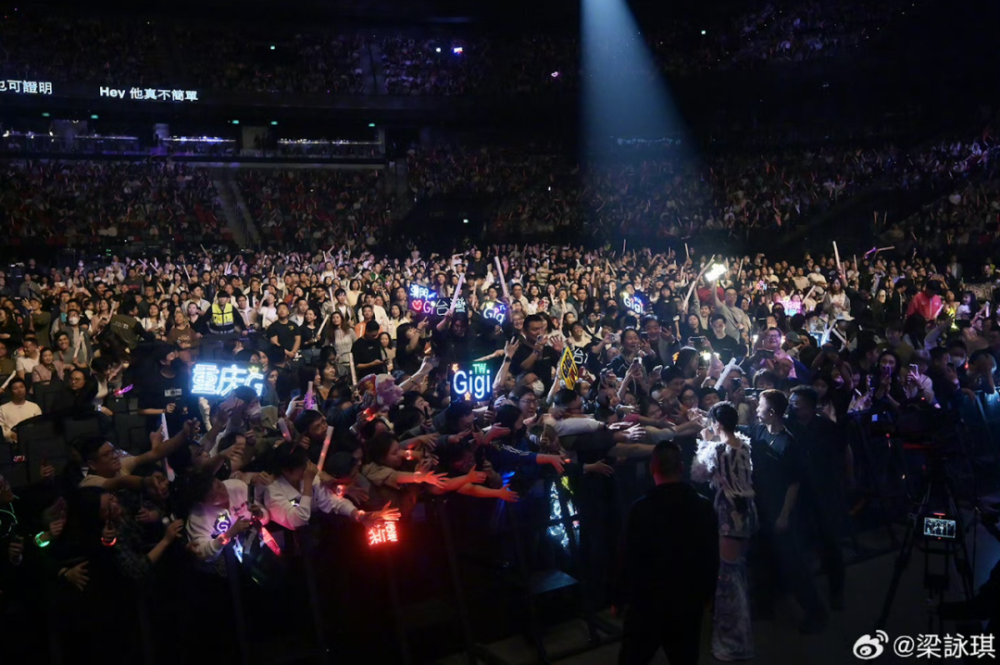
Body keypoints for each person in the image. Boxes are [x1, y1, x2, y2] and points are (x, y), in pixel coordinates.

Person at [614, 441, 718, 665]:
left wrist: (619, 597)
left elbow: (627, 557)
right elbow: (711, 555)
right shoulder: (703, 506)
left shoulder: (640, 509)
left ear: (653, 468)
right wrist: (708, 593)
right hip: (688, 599)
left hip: (647, 602)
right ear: (681, 467)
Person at [743, 390, 828, 633]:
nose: (756, 407)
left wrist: (784, 515)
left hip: (782, 512)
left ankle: (815, 612)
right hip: (764, 508)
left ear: (771, 412)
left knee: (794, 564)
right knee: (764, 559)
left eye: (760, 405)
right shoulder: (759, 431)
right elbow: (736, 427)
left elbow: (794, 483)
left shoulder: (788, 442)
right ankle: (765, 606)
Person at [691, 401, 756, 661]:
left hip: (730, 515)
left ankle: (735, 641)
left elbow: (698, 474)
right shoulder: (744, 444)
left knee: (729, 579)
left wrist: (703, 442)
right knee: (739, 572)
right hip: (748, 512)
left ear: (717, 424)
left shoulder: (717, 449)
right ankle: (741, 634)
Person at [0, 378, 41, 442]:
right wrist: (11, 435)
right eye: (15, 388)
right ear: (11, 391)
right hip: (12, 443)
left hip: (32, 441)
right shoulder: (2, 408)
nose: (19, 390)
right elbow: (1, 428)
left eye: (21, 387)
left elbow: (39, 426)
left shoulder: (34, 407)